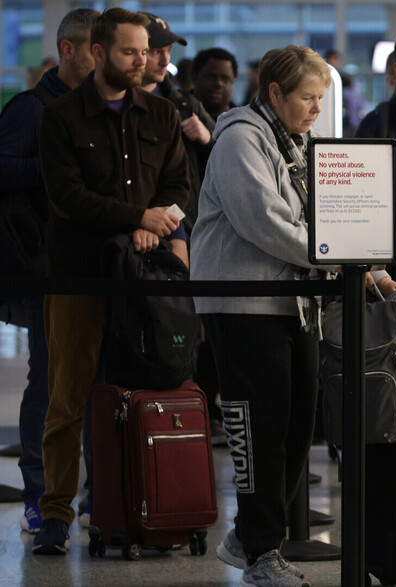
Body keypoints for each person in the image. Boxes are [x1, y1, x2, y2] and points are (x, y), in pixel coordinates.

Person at [191, 44, 396, 586]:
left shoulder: (298, 141)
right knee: (259, 428)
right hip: (244, 305)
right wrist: (342, 259)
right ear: (274, 93)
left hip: (296, 305)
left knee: (296, 429)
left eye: (322, 98)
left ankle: (249, 537)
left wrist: (375, 270)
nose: (317, 108)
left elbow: (333, 216)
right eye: (307, 97)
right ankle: (262, 552)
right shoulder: (241, 138)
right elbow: (264, 222)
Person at [34, 7, 189, 554]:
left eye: (145, 51)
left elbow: (178, 184)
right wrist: (136, 218)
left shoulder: (162, 115)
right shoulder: (59, 117)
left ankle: (127, 505)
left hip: (140, 279)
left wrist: (161, 220)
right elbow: (67, 196)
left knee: (139, 394)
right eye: (130, 51)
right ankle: (54, 513)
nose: (142, 60)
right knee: (67, 398)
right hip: (78, 278)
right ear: (98, 53)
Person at [0, 6, 99, 537]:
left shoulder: (102, 108)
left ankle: (87, 494)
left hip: (95, 269)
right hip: (44, 267)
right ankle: (41, 493)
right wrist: (58, 172)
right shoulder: (31, 110)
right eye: (96, 49)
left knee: (90, 382)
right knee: (50, 381)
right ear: (69, 50)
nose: (105, 59)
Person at [140, 12, 216, 236]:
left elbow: (225, 160)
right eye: (156, 52)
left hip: (184, 221)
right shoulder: (117, 105)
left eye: (169, 51)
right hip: (134, 223)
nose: (165, 61)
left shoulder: (186, 104)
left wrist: (207, 139)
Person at [193, 47, 238, 120]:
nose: (218, 84)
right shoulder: (176, 115)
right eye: (211, 77)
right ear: (194, 77)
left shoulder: (242, 122)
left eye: (225, 79)